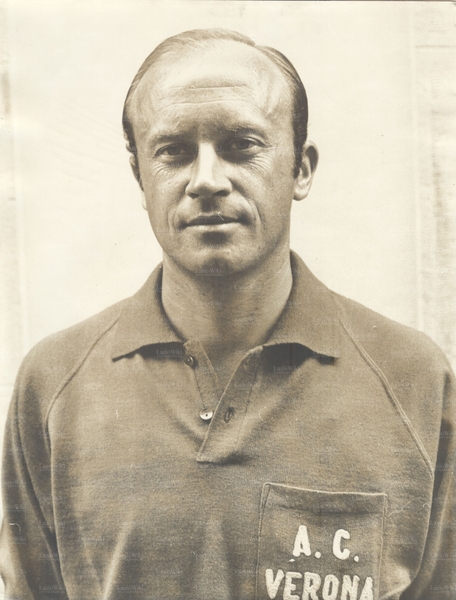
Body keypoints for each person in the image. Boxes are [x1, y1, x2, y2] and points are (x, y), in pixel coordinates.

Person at [0, 28, 454, 600]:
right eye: (174, 151)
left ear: (301, 169)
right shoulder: (54, 384)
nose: (207, 180)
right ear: (140, 176)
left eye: (241, 145)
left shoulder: (414, 380)